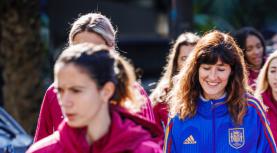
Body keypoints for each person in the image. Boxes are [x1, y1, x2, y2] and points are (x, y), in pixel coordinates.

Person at [33, 13, 155, 142]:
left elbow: (149, 141)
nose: (86, 57)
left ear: (111, 48)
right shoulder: (54, 93)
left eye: (94, 50)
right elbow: (42, 142)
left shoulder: (135, 94)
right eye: (79, 50)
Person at [27, 44, 163, 153]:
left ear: (106, 91)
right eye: (60, 91)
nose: (65, 101)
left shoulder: (145, 150)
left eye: (76, 90)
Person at [164, 31, 277, 153]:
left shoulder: (250, 109)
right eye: (206, 68)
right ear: (196, 70)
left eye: (221, 69)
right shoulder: (180, 113)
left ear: (232, 72)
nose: (213, 76)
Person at [149, 32, 199, 128]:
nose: (189, 63)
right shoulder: (162, 95)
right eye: (184, 58)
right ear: (176, 62)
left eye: (193, 58)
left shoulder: (211, 92)